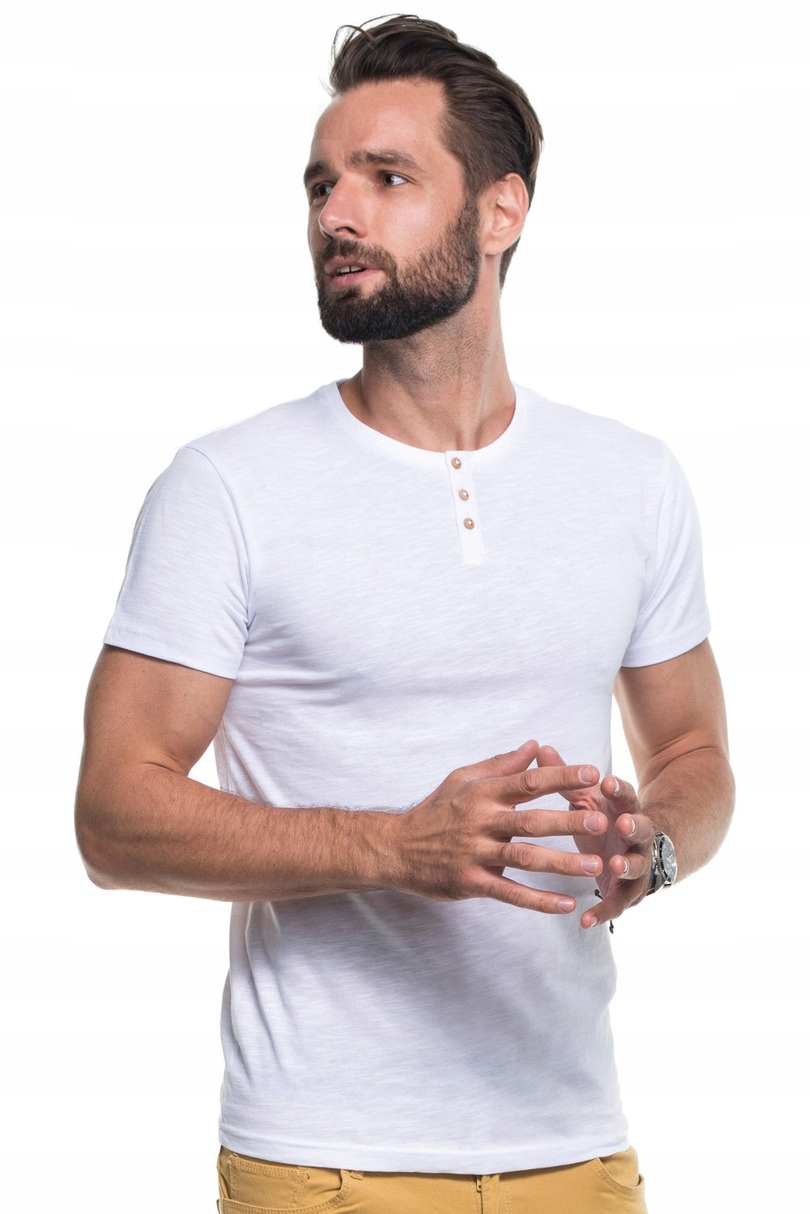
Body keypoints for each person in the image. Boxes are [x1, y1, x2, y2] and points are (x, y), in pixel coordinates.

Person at [76, 15, 734, 1214]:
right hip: (321, 1159)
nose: (337, 213)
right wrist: (392, 844)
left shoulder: (633, 478)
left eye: (387, 178)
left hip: (579, 1151)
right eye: (322, 184)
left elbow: (694, 749)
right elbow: (112, 815)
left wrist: (654, 845)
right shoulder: (226, 486)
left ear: (500, 209)